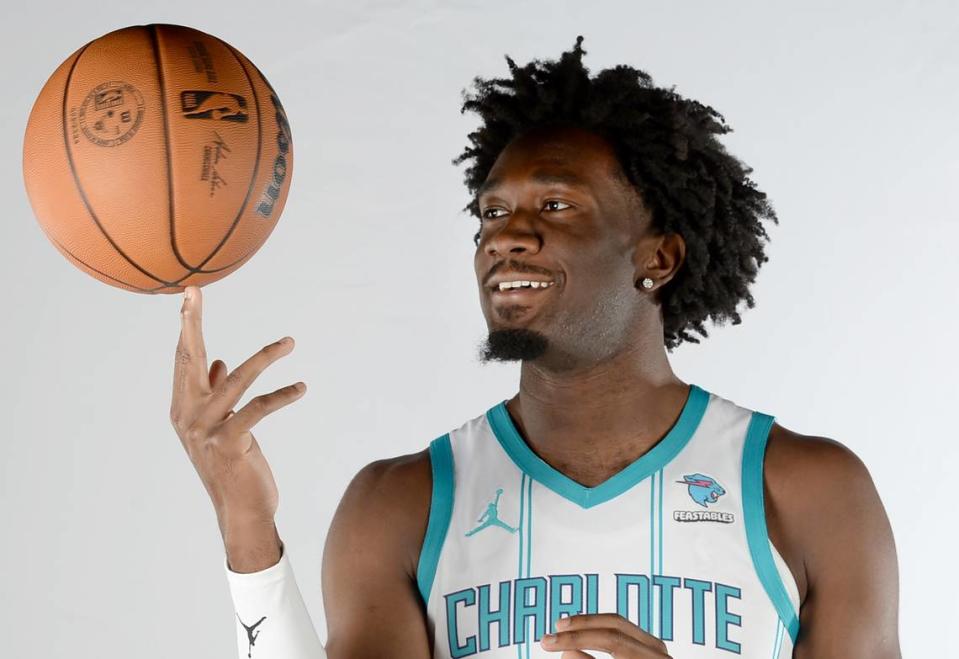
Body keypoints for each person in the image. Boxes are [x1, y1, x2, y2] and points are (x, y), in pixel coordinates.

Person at [170, 37, 900, 658]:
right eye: (491, 211)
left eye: (554, 204)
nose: (503, 235)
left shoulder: (807, 490)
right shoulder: (400, 504)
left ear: (659, 257)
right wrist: (246, 525)